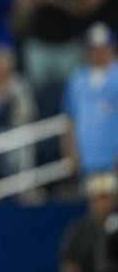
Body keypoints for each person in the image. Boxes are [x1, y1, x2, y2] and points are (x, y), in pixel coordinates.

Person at [62, 22, 118, 178]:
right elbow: (70, 119)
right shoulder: (77, 79)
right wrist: (70, 152)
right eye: (93, 48)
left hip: (113, 159)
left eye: (102, 48)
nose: (98, 53)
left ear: (111, 48)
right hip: (87, 160)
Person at [60, 172, 118, 272]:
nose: (102, 204)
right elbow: (68, 262)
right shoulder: (79, 230)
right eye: (98, 198)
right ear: (91, 201)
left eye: (106, 198)